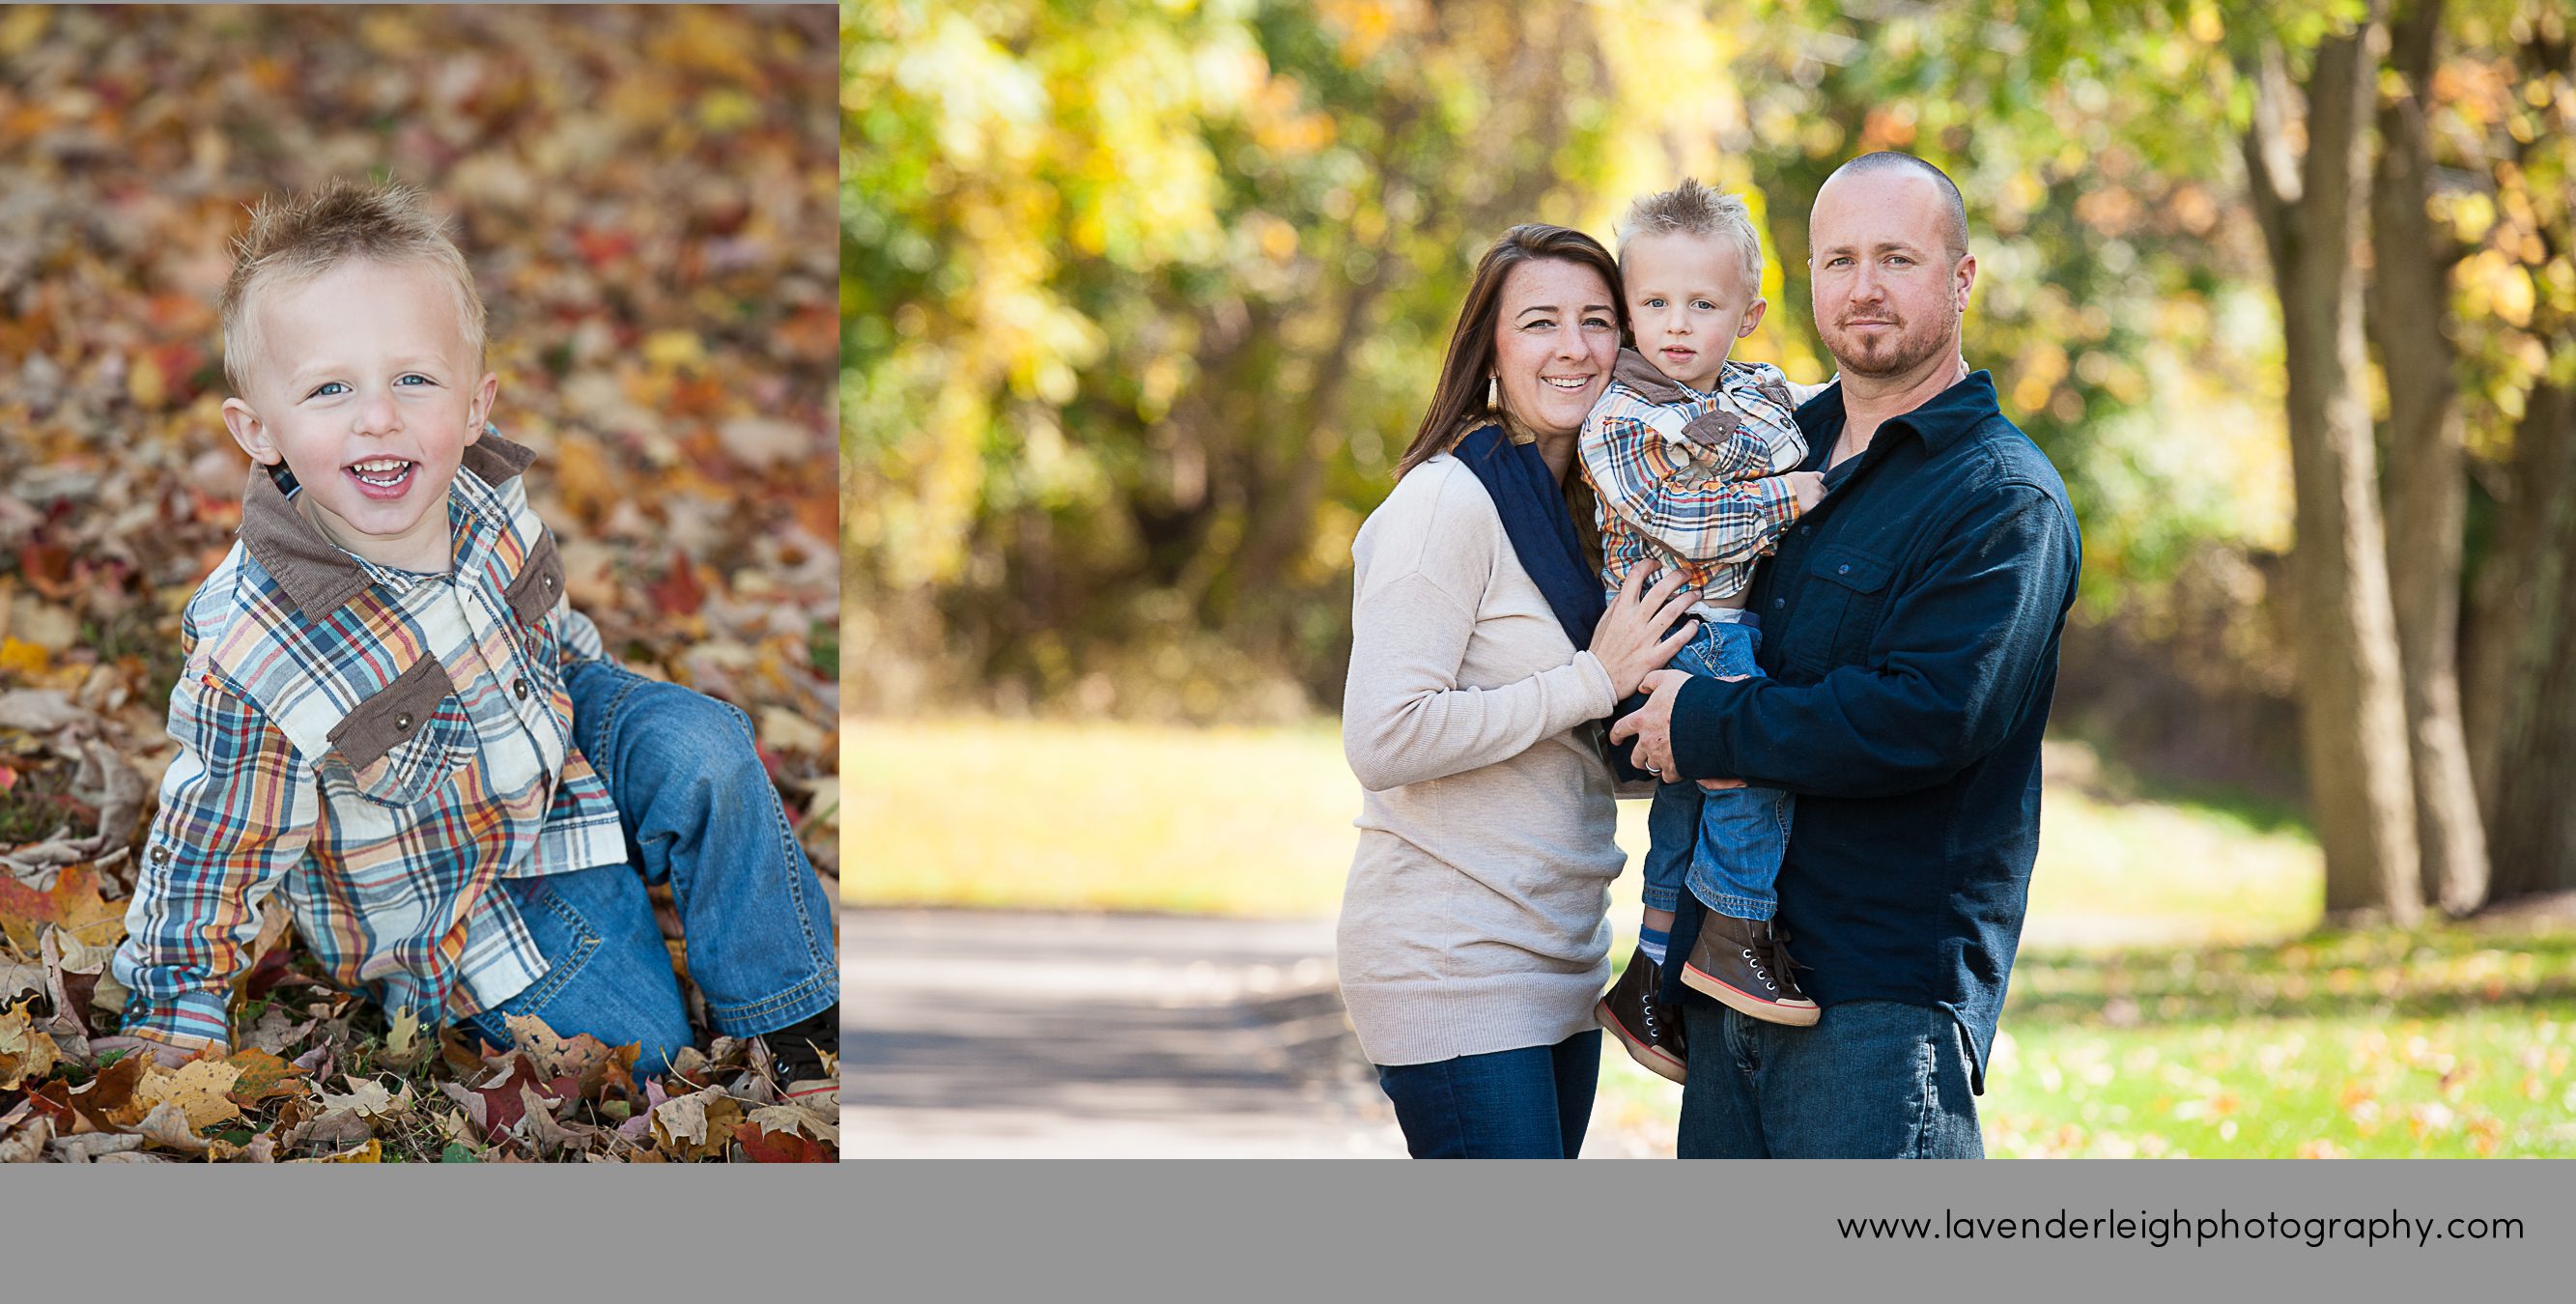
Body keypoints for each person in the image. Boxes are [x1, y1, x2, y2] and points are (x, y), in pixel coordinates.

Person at [100, 180, 839, 1086]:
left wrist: (633, 752)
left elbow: (551, 633)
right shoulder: (256, 650)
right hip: (465, 906)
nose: (379, 416)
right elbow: (212, 851)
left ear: (476, 404)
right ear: (259, 432)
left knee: (703, 746)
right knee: (651, 1051)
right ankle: (621, 912)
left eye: (414, 379)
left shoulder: (483, 492)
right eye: (330, 388)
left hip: (555, 757)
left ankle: (792, 1011)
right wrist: (174, 1011)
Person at [1610, 152, 2081, 1158]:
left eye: (1896, 259)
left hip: (1878, 1004)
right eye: (1839, 260)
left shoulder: (2000, 497)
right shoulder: (1761, 444)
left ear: (1961, 278)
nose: (1864, 286)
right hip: (1721, 987)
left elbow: (1926, 716)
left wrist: (1701, 725)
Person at [1338, 223, 1698, 1158]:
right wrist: (1591, 680)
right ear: (1489, 351)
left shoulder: (1587, 515)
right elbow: (1383, 735)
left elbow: (1570, 752)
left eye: (1597, 321)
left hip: (1560, 956)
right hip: (1453, 961)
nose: (1573, 347)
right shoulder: (1445, 503)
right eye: (1539, 323)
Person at [1578, 180, 1836, 1086]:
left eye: (1702, 305)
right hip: (1678, 630)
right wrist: (1784, 496)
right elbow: (1682, 520)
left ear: (1747, 316)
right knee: (1749, 776)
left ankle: (1649, 972)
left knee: (1686, 810)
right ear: (1626, 310)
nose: (1676, 326)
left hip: (1723, 623)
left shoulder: (1754, 386)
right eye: (1653, 304)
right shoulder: (1617, 416)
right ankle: (1734, 931)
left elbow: (1819, 410)